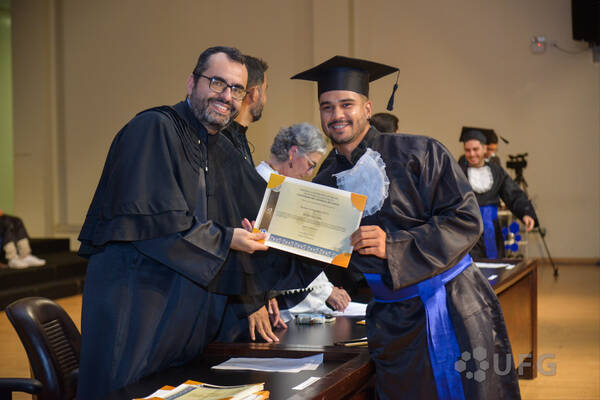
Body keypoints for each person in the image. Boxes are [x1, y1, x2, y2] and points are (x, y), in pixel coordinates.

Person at [76, 46, 316, 399]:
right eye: (217, 83)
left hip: (183, 316)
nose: (227, 96)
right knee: (128, 392)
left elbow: (261, 203)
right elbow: (159, 224)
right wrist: (228, 238)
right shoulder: (153, 129)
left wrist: (325, 232)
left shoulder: (219, 148)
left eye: (236, 89)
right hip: (138, 305)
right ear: (191, 82)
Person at [292, 56, 520, 399]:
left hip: (451, 308)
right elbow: (332, 262)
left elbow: (466, 219)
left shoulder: (420, 152)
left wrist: (394, 245)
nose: (337, 114)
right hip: (389, 321)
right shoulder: (324, 183)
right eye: (327, 107)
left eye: (346, 104)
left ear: (367, 108)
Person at [255, 122, 351, 315]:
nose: (309, 174)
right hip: (274, 301)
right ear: (293, 153)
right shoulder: (269, 188)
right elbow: (287, 255)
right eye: (310, 165)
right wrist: (326, 290)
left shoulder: (271, 182)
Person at [459, 128, 537, 259]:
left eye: (475, 149)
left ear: (484, 148)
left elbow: (513, 193)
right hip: (467, 232)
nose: (472, 154)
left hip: (492, 232)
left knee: (494, 266)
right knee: (470, 268)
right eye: (467, 150)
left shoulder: (496, 171)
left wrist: (526, 213)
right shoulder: (458, 172)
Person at [221, 55, 268, 166]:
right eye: (265, 90)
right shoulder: (224, 144)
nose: (265, 98)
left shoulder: (237, 138)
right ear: (253, 94)